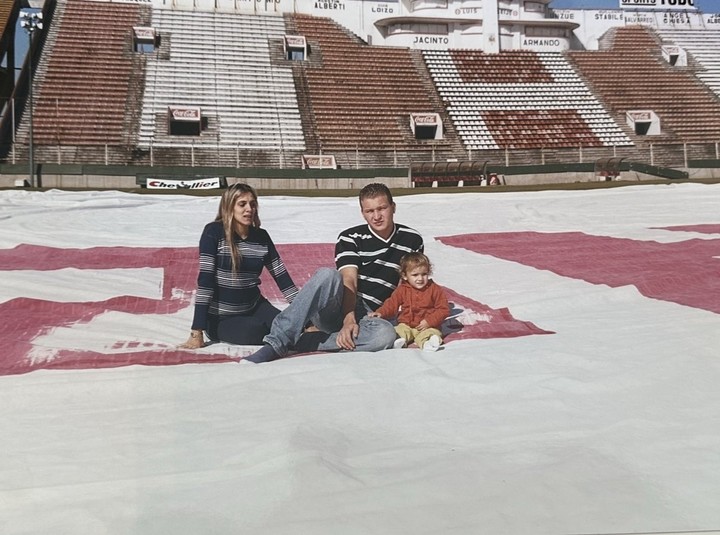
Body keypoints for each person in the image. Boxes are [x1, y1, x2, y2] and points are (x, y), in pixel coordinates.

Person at [246, 183, 424, 363]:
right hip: (339, 305)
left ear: (393, 207)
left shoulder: (412, 239)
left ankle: (307, 341)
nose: (376, 216)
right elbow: (349, 280)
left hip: (371, 315)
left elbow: (407, 285)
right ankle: (277, 342)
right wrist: (348, 319)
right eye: (369, 211)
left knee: (384, 336)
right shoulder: (350, 237)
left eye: (382, 208)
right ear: (362, 212)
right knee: (327, 275)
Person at [179, 183, 298, 350]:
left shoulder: (261, 236)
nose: (249, 209)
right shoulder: (213, 232)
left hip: (255, 306)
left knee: (290, 327)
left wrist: (306, 319)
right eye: (242, 204)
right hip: (221, 318)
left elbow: (282, 277)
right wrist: (196, 331)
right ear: (229, 207)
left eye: (253, 204)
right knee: (256, 332)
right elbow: (205, 281)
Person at [368, 252, 449, 352]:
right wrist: (381, 312)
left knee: (431, 333)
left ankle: (428, 343)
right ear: (405, 276)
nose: (420, 278)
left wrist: (429, 321)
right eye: (415, 275)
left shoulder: (435, 289)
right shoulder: (402, 290)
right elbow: (391, 304)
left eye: (424, 274)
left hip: (427, 326)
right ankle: (399, 342)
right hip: (407, 324)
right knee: (399, 331)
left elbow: (443, 309)